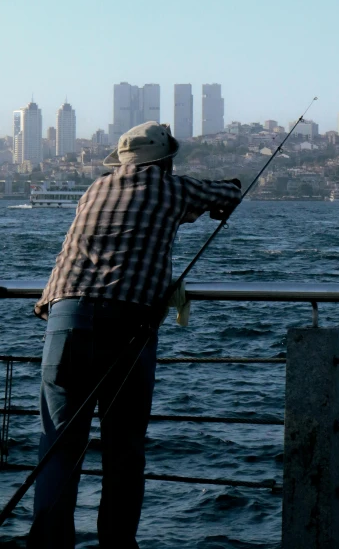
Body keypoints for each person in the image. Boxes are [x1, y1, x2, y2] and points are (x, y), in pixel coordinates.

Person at [28, 121, 242, 549]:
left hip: (64, 318)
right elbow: (227, 195)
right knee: (123, 451)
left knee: (58, 450)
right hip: (125, 325)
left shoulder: (95, 189)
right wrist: (226, 190)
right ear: (165, 161)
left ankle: (47, 546)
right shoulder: (172, 189)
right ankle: (117, 546)